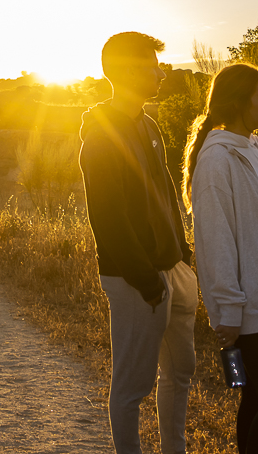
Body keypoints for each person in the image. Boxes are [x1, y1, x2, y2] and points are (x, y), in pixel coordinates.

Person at [79, 31, 198, 454]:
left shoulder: (148, 125)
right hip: (136, 282)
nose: (160, 71)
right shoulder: (100, 137)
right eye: (152, 63)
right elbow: (108, 219)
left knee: (181, 374)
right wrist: (147, 280)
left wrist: (183, 258)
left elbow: (164, 192)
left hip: (174, 272)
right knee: (132, 388)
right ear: (126, 71)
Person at [185, 64, 258, 454]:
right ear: (238, 103)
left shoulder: (252, 145)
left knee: (255, 397)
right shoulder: (217, 161)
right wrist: (229, 309)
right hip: (250, 306)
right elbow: (215, 242)